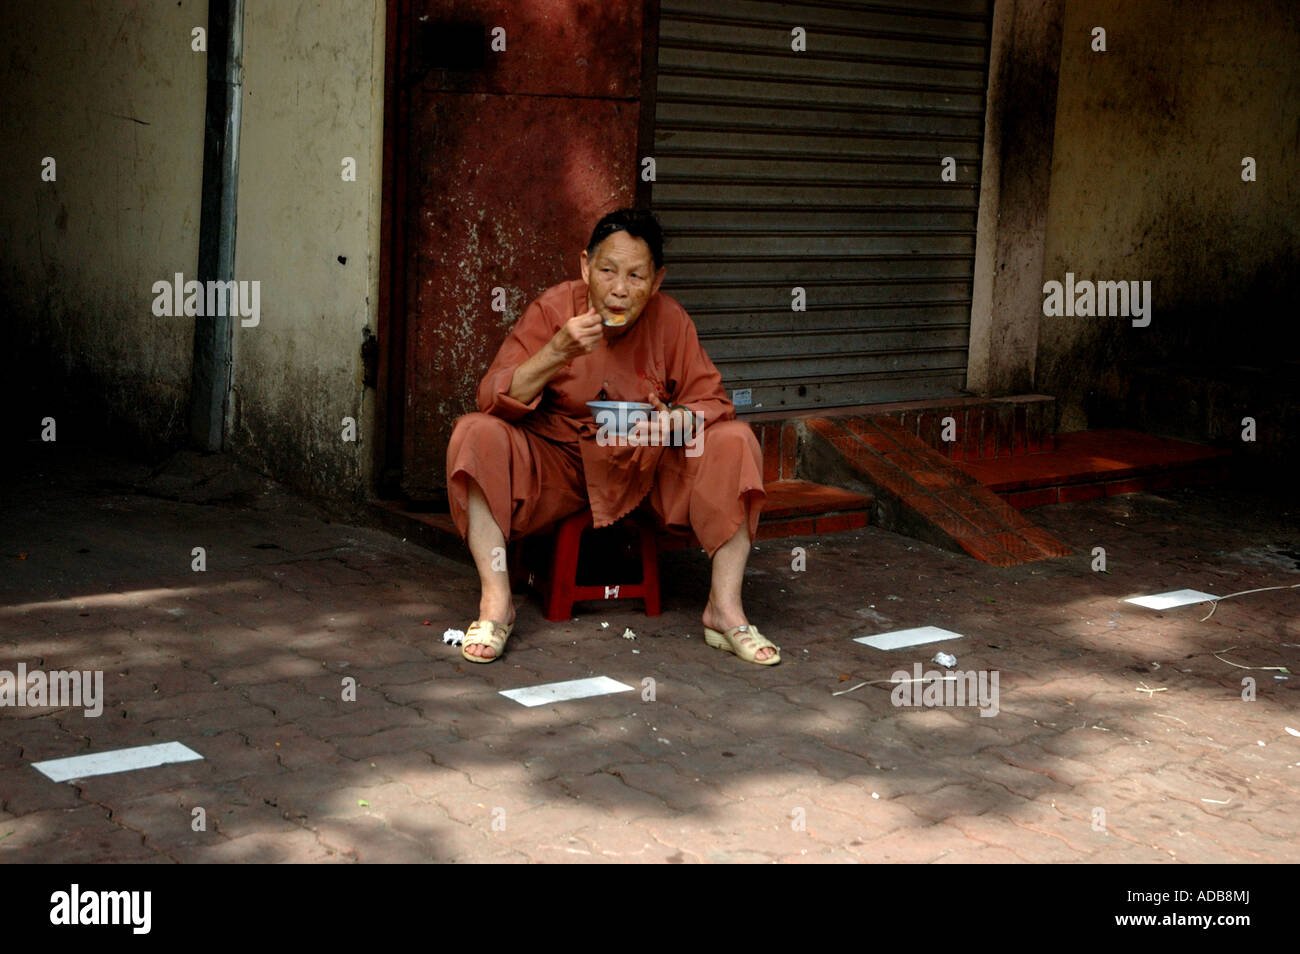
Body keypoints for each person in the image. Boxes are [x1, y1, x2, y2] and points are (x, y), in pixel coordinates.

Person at [445, 208, 779, 665]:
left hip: (646, 465)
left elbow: (713, 401)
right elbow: (493, 397)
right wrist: (555, 352)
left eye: (636, 276)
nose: (620, 289)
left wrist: (675, 420)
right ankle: (496, 605)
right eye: (607, 271)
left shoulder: (670, 319)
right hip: (558, 462)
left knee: (735, 439)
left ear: (657, 280)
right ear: (585, 267)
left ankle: (724, 609)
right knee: (474, 433)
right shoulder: (555, 308)